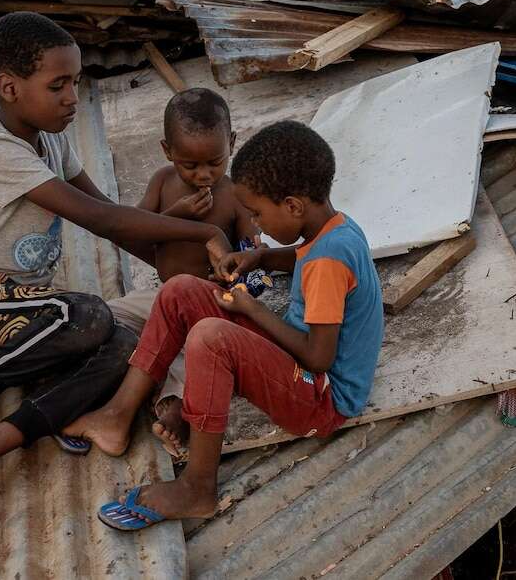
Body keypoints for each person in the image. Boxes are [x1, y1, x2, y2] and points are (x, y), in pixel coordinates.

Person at [0, 12, 232, 543]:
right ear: (10, 87)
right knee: (88, 314)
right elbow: (100, 219)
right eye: (58, 85)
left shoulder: (52, 139)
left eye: (76, 82)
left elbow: (114, 221)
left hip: (28, 319)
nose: (73, 97)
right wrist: (199, 232)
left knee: (129, 344)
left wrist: (185, 277)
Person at [66, 120, 384, 531]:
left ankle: (198, 486)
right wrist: (261, 258)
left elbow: (319, 357)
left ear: (292, 206)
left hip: (323, 399)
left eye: (257, 214)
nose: (256, 224)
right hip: (300, 365)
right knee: (181, 289)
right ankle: (117, 415)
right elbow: (302, 257)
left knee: (210, 338)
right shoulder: (334, 228)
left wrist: (252, 310)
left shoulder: (327, 261)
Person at [107, 87, 259, 459]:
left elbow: (253, 249)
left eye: (214, 162)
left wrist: (249, 258)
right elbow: (135, 228)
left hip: (208, 303)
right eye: (190, 166)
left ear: (232, 143)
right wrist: (177, 215)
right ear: (167, 151)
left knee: (193, 353)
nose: (204, 174)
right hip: (161, 299)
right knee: (107, 316)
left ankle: (175, 407)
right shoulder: (162, 182)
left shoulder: (234, 195)